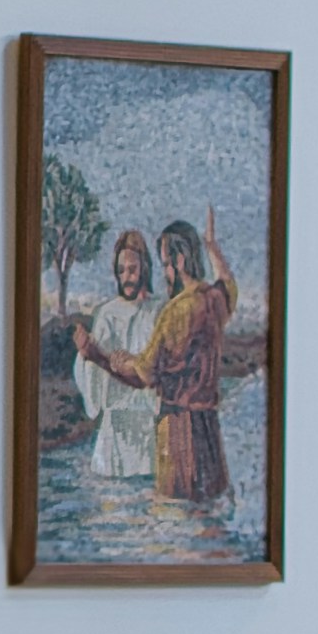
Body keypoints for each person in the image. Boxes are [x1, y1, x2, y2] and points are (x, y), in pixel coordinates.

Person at [80, 211, 240, 508]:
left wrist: (98, 357)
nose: (165, 272)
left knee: (174, 511)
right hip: (209, 429)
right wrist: (212, 245)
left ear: (179, 261)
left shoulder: (175, 312)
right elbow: (228, 282)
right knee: (210, 510)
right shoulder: (214, 300)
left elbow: (144, 375)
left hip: (179, 430)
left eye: (166, 263)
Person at [72, 228, 162, 479]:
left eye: (132, 270)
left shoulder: (159, 311)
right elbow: (93, 370)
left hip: (147, 427)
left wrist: (118, 363)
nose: (126, 277)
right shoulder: (107, 313)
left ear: (144, 268)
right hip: (113, 432)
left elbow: (154, 372)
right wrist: (86, 355)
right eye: (121, 271)